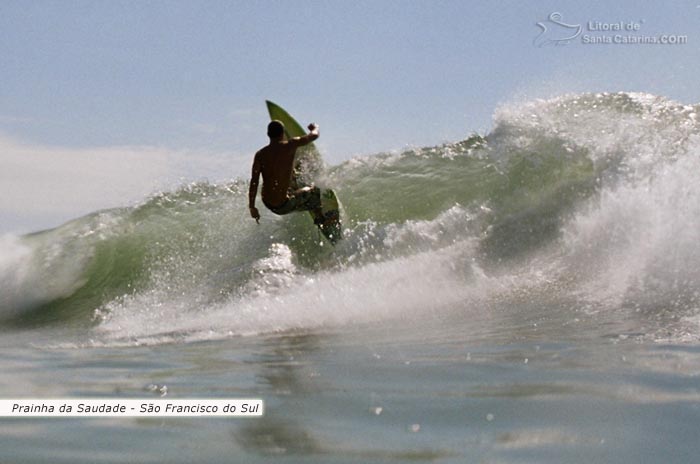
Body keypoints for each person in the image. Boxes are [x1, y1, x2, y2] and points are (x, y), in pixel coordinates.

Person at [248, 120, 324, 224]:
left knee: (288, 173)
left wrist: (252, 207)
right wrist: (315, 127)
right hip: (283, 205)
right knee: (315, 191)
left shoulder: (260, 154)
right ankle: (320, 217)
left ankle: (294, 186)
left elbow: (254, 182)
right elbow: (314, 135)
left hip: (268, 204)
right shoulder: (290, 144)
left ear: (268, 135)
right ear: (283, 133)